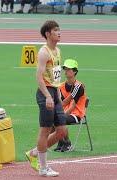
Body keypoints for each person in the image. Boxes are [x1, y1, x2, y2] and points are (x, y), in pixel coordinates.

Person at [25, 20, 66, 177]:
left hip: (54, 92)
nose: (59, 32)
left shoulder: (58, 51)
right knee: (45, 130)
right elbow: (39, 77)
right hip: (45, 93)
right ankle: (43, 168)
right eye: (56, 30)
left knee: (62, 131)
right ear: (48, 34)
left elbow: (55, 75)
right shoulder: (44, 52)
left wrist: (58, 94)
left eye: (59, 29)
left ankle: (34, 152)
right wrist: (48, 96)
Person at [54, 59, 87, 152]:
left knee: (60, 119)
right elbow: (61, 103)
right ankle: (60, 141)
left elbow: (71, 105)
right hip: (65, 111)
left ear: (75, 71)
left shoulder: (78, 86)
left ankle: (67, 143)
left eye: (69, 69)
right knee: (53, 117)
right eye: (65, 68)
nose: (66, 71)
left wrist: (61, 115)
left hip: (77, 114)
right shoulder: (61, 86)